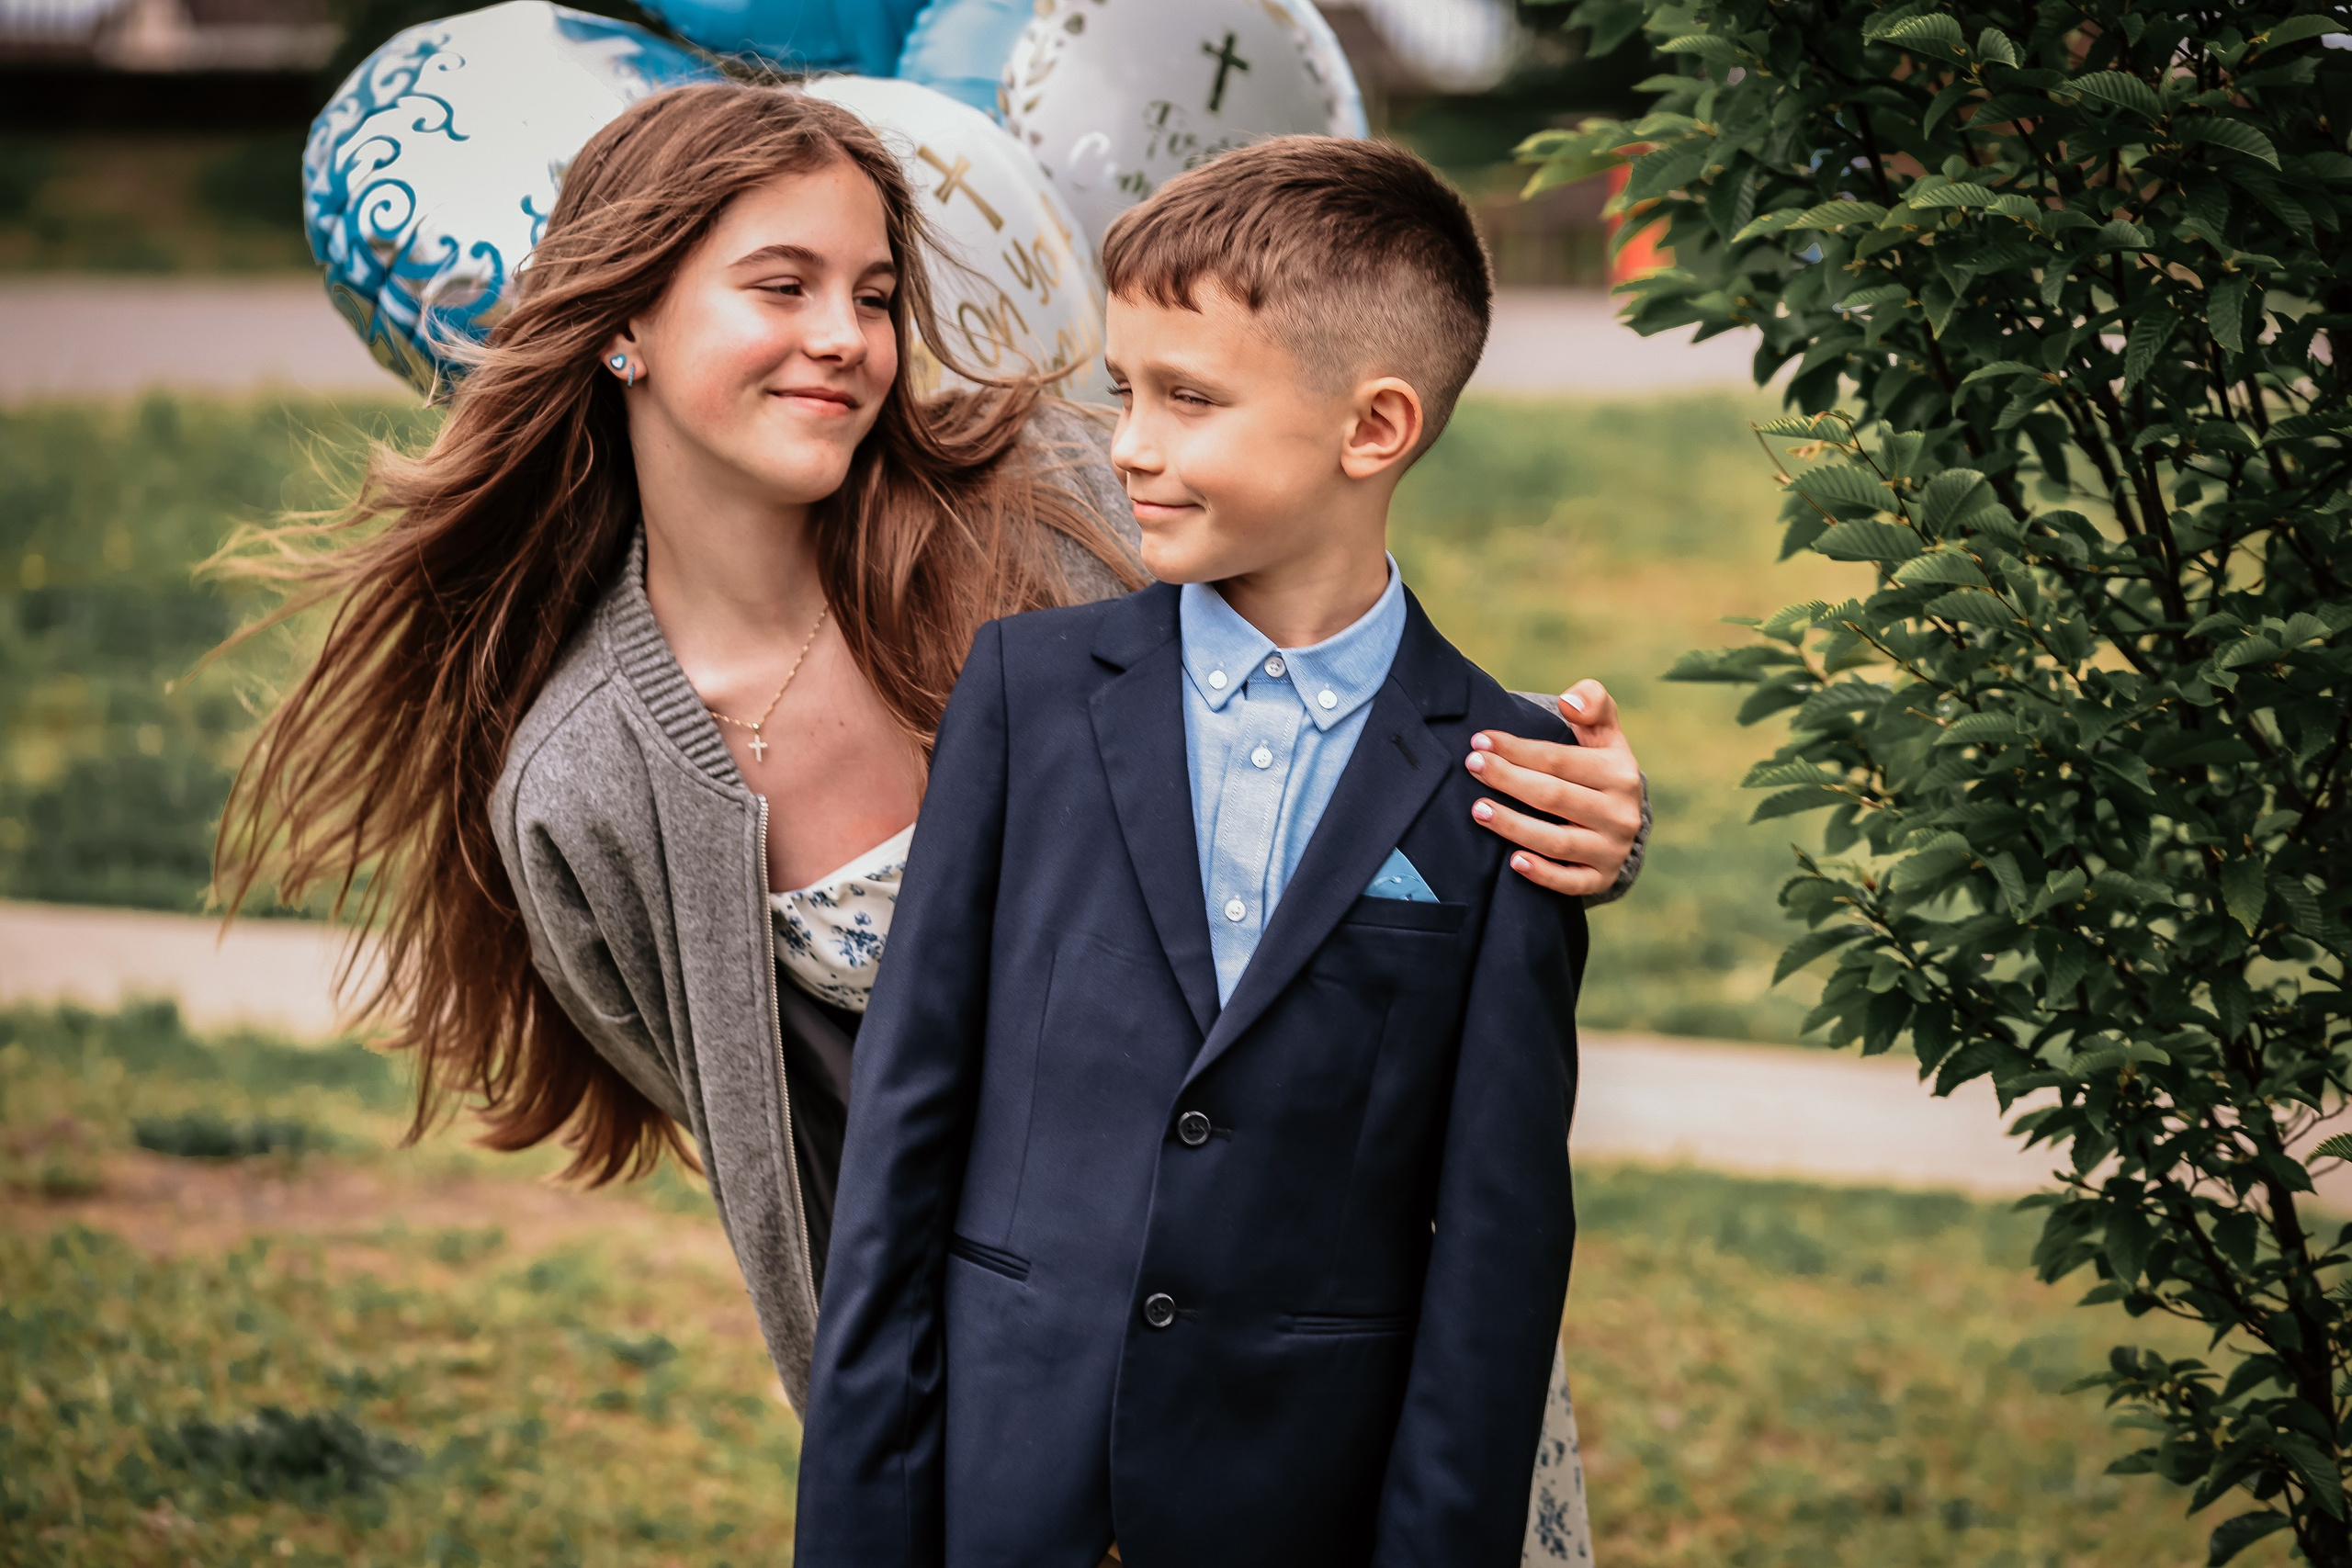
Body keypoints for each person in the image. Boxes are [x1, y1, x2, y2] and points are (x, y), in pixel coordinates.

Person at [214, 85, 1636, 1557]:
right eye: (783, 286)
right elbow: (794, 1157)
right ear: (623, 323)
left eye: (876, 293)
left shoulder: (1053, 514)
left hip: (1340, 1395)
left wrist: (1579, 801)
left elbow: (1329, 683)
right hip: (1013, 1425)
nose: (844, 336)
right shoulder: (585, 790)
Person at [797, 136, 1584, 1568]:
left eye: (1189, 398)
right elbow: (904, 1149)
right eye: (1125, 391)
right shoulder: (1025, 698)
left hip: (1295, 1506)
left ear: (1375, 428)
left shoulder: (1510, 780)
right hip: (1001, 1487)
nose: (1131, 445)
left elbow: (1497, 1258)